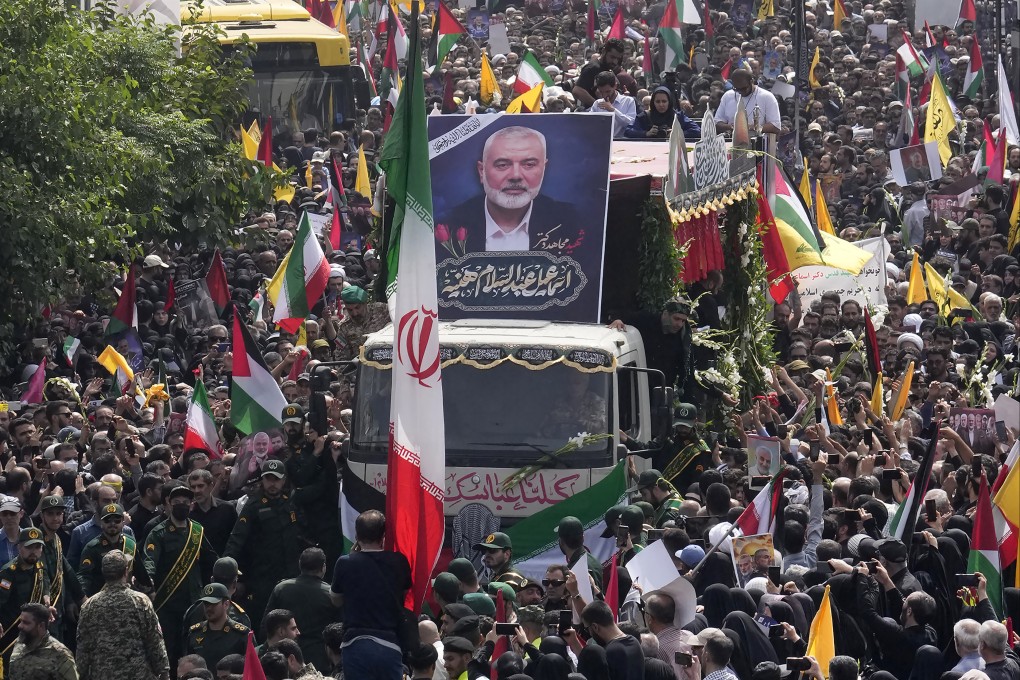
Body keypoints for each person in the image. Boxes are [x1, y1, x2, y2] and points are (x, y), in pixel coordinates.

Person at [435, 126, 583, 255]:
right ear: (482, 172)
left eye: (529, 164)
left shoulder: (574, 222)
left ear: (544, 168)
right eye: (502, 165)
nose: (515, 176)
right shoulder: (446, 225)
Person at [330, 510, 411, 680]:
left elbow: (336, 600)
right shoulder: (399, 561)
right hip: (390, 643)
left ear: (357, 535)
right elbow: (403, 594)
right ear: (383, 535)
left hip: (355, 644)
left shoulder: (345, 563)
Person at [144, 485, 218, 666]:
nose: (182, 505)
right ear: (168, 503)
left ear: (191, 505)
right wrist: (148, 580)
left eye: (185, 502)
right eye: (177, 502)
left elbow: (211, 558)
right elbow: (149, 560)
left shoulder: (197, 531)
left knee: (194, 648)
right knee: (169, 650)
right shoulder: (158, 532)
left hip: (194, 600)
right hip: (168, 602)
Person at [224, 459, 300, 629]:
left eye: (276, 479)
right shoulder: (253, 505)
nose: (272, 484)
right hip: (262, 576)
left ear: (283, 480)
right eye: (268, 479)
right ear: (262, 480)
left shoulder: (292, 503)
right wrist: (227, 570)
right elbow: (237, 539)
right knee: (263, 622)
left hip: (289, 573)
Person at [76, 550, 170, 680]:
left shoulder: (89, 605)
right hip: (138, 675)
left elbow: (83, 649)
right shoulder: (140, 601)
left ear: (104, 572)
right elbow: (154, 640)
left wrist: (80, 675)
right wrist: (164, 672)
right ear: (126, 571)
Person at [264, 547, 342, 673]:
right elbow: (339, 629)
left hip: (284, 658)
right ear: (323, 567)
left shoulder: (281, 589)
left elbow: (267, 624)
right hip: (320, 659)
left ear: (300, 565)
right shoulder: (330, 594)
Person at [0, 528, 52, 664]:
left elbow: (45, 579)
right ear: (19, 547)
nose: (34, 551)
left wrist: (46, 596)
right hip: (12, 631)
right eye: (29, 547)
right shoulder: (8, 572)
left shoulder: (39, 565)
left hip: (34, 631)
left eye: (37, 547)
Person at [76, 502, 145, 596]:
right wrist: (83, 597)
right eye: (107, 520)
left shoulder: (130, 543)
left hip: (126, 598)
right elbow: (84, 576)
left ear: (123, 522)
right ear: (101, 523)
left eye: (117, 520)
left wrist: (150, 589)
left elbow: (140, 571)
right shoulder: (92, 548)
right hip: (101, 600)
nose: (112, 524)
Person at [184, 583, 251, 670]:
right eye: (206, 604)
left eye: (213, 604)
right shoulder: (195, 633)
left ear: (226, 604)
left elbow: (251, 667)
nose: (208, 608)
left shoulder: (241, 634)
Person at [8, 602, 77, 680]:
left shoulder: (61, 654)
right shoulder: (20, 643)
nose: (20, 626)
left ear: (41, 626)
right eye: (20, 621)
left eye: (26, 623)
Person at [581, 601, 643, 680]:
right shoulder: (634, 641)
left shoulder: (608, 653)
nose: (589, 633)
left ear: (595, 627)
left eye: (587, 629)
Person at [714, 70, 781, 134]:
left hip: (757, 142)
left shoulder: (767, 97)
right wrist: (731, 127)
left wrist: (750, 127)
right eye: (736, 89)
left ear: (751, 81)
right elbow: (717, 122)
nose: (740, 92)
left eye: (743, 88)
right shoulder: (728, 96)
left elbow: (775, 126)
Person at [624, 86, 701, 140]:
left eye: (664, 101)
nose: (661, 105)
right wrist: (646, 133)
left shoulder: (677, 116)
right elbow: (628, 131)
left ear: (669, 102)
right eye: (658, 101)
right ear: (653, 102)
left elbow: (697, 130)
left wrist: (677, 134)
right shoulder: (644, 116)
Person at [588, 71, 636, 138]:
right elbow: (589, 124)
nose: (604, 95)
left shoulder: (628, 101)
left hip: (621, 143)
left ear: (615, 86)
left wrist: (613, 110)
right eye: (601, 92)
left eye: (607, 91)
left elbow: (630, 123)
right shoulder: (597, 103)